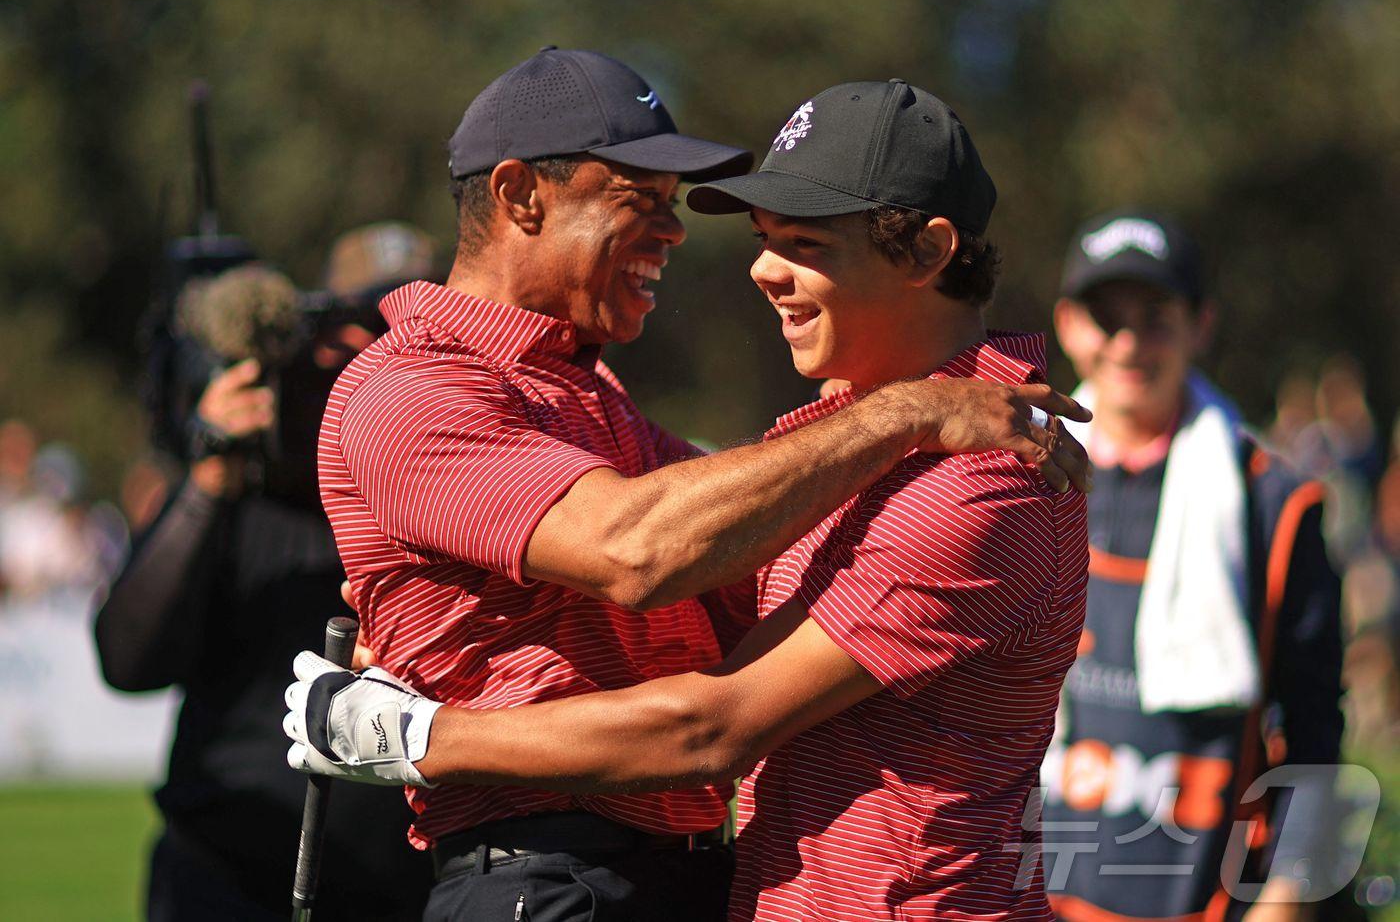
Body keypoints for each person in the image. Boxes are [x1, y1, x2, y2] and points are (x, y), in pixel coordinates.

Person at [288, 77, 1090, 921]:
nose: (758, 267)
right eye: (643, 197)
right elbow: (655, 548)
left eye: (805, 242)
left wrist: (416, 734)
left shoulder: (982, 469)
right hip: (552, 876)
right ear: (518, 193)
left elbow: (708, 717)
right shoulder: (420, 387)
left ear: (929, 252)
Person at [94, 262, 434, 921]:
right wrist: (213, 468)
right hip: (222, 879)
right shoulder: (237, 498)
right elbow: (128, 661)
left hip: (395, 887)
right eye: (328, 357)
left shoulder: (437, 506)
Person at [1036, 211, 1344, 920]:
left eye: (1155, 317)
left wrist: (1289, 892)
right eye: (1104, 316)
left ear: (1201, 324)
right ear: (1067, 324)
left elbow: (1314, 724)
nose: (1127, 342)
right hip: (1027, 895)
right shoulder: (1014, 479)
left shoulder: (1274, 503)